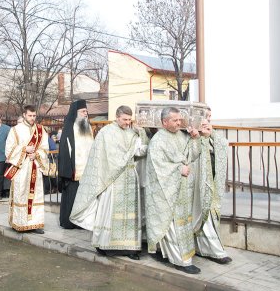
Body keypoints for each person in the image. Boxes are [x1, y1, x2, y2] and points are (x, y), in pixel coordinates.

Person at [70, 105, 148, 260]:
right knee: (110, 213)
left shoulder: (133, 133)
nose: (127, 122)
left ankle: (130, 247)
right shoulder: (106, 132)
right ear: (117, 117)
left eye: (129, 120)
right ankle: (105, 244)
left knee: (130, 215)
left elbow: (141, 152)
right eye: (124, 119)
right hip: (112, 180)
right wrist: (130, 152)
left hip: (130, 178)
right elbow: (110, 159)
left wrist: (142, 134)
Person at [145, 107, 201, 274]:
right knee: (170, 226)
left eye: (179, 120)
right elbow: (158, 167)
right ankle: (181, 261)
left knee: (180, 225)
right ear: (164, 122)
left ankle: (165, 253)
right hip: (165, 191)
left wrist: (195, 139)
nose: (179, 123)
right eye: (175, 120)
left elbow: (193, 154)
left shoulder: (181, 136)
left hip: (181, 189)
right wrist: (178, 170)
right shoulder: (157, 141)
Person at [192, 108, 232, 264]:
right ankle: (207, 250)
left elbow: (222, 146)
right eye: (205, 117)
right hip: (194, 183)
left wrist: (210, 136)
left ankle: (213, 250)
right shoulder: (191, 134)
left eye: (209, 117)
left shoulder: (213, 134)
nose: (208, 120)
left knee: (208, 214)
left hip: (209, 182)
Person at [5, 105, 49, 234]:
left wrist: (37, 154)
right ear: (24, 115)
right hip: (21, 168)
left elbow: (45, 149)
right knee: (21, 194)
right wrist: (24, 149)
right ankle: (19, 223)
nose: (32, 118)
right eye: (30, 115)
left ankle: (35, 224)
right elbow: (9, 150)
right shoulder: (15, 130)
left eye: (34, 116)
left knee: (35, 195)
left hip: (35, 165)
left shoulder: (41, 130)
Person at [58, 99, 94, 229]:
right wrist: (68, 171)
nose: (86, 113)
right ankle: (69, 222)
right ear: (76, 112)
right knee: (72, 196)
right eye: (83, 111)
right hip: (74, 171)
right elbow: (64, 151)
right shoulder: (69, 128)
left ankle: (81, 221)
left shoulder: (88, 127)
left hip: (87, 170)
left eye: (86, 111)